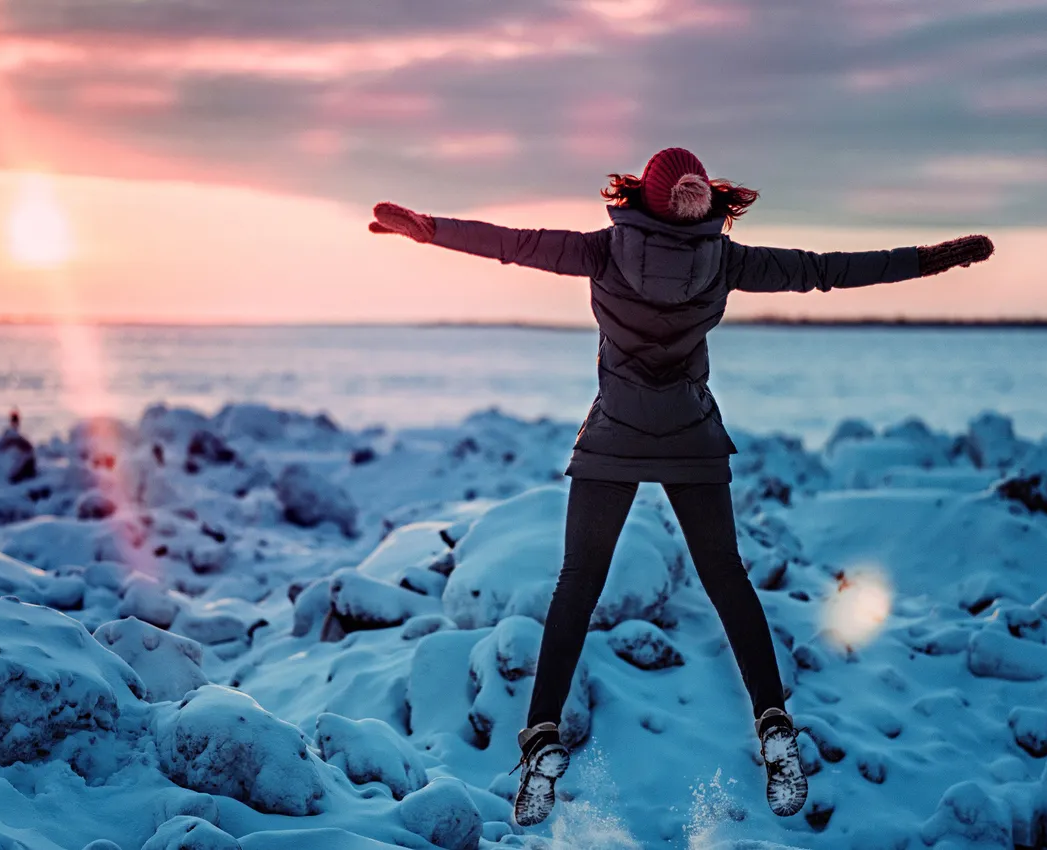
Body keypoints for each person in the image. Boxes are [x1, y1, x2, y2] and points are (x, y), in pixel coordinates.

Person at [369, 147, 994, 826]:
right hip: (692, 434)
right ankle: (773, 722)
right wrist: (932, 258)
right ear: (698, 200)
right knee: (727, 577)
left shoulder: (604, 251)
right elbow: (828, 272)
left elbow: (511, 245)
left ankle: (542, 740)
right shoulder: (724, 259)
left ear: (646, 195)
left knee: (578, 583)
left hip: (614, 435)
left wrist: (428, 228)